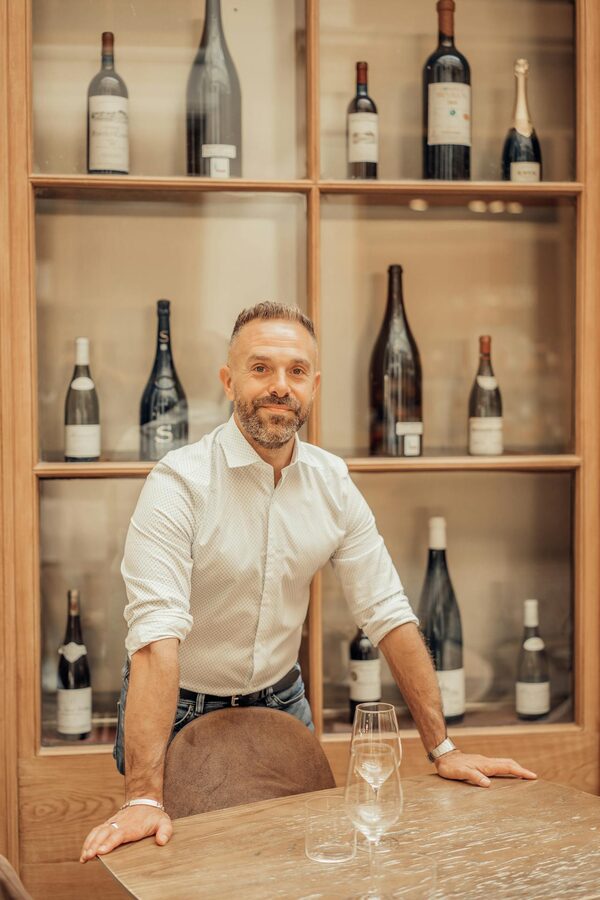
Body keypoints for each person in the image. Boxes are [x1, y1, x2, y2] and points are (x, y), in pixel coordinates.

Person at [80, 302, 536, 864]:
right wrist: (143, 796)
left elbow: (388, 613)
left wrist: (442, 748)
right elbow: (154, 642)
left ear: (314, 385)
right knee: (181, 870)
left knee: (300, 867)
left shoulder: (333, 483)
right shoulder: (178, 485)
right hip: (177, 708)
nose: (280, 386)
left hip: (281, 699)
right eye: (260, 368)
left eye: (296, 371)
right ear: (228, 381)